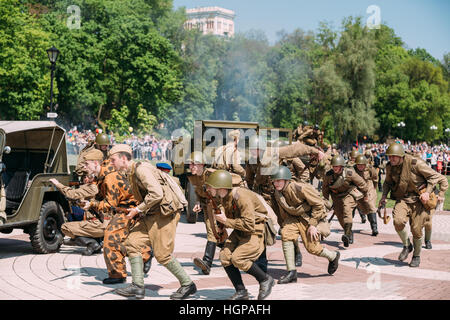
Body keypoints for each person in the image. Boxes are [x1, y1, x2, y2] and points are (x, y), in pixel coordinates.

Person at [109, 144, 196, 300]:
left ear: (123, 158)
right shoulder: (131, 171)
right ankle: (137, 287)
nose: (111, 163)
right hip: (152, 214)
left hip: (165, 214)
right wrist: (140, 211)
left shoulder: (141, 169)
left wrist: (137, 210)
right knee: (132, 243)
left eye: (113, 160)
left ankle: (187, 284)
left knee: (162, 255)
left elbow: (156, 193)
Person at [206, 170, 275, 300]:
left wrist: (226, 221)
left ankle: (265, 279)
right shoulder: (224, 196)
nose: (208, 189)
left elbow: (249, 225)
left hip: (255, 229)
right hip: (240, 229)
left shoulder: (241, 196)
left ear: (220, 187)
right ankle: (241, 291)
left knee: (239, 259)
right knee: (225, 256)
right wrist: (222, 226)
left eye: (210, 186)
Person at [271, 166, 340, 284]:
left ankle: (333, 256)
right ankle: (291, 272)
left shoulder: (300, 188)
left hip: (309, 217)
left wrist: (313, 225)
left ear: (286, 180)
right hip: (292, 218)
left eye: (279, 180)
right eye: (274, 181)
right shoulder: (278, 193)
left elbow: (319, 205)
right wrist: (282, 224)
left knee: (313, 249)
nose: (276, 183)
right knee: (285, 234)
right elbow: (280, 211)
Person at [379, 143, 442, 267]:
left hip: (419, 200)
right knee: (398, 221)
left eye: (394, 157)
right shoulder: (390, 167)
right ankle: (407, 245)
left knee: (417, 230)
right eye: (389, 156)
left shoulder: (415, 164)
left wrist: (427, 193)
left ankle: (416, 256)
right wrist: (384, 196)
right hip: (403, 199)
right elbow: (387, 182)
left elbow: (434, 176)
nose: (391, 159)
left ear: (401, 156)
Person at [60, 149, 109, 255]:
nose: (85, 167)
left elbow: (71, 194)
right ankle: (95, 242)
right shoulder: (103, 179)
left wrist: (57, 184)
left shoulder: (95, 185)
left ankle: (93, 242)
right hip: (106, 222)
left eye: (87, 165)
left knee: (65, 227)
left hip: (101, 223)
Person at [322, 155, 369, 247]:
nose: (335, 168)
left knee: (347, 210)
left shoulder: (349, 173)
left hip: (348, 194)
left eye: (337, 166)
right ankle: (348, 232)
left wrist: (365, 195)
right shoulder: (328, 175)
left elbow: (362, 184)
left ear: (342, 166)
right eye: (334, 166)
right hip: (336, 197)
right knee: (340, 217)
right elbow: (325, 188)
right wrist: (326, 201)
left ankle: (346, 235)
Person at [353, 155, 379, 236]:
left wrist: (374, 187)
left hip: (369, 186)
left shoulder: (370, 168)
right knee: (364, 208)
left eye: (362, 165)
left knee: (370, 205)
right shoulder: (352, 169)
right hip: (359, 189)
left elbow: (375, 177)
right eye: (358, 165)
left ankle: (374, 228)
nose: (360, 166)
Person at [423, 172, 448, 249]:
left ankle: (427, 240)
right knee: (416, 222)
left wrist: (440, 194)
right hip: (417, 199)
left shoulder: (429, 172)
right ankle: (416, 240)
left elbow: (444, 180)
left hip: (431, 199)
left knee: (428, 220)